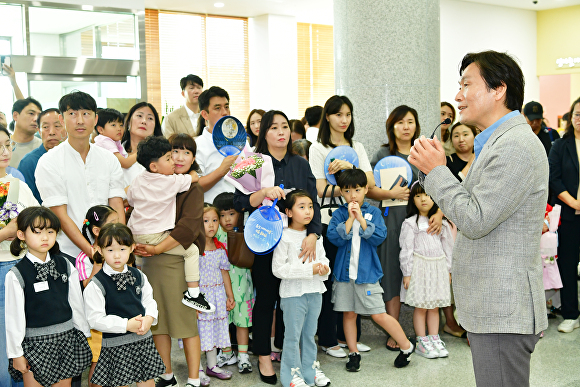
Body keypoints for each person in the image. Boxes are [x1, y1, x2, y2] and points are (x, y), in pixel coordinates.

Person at [409, 50, 548, 387]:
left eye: (466, 85)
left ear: (498, 89)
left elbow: (475, 218)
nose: (458, 96)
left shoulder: (515, 145)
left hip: (503, 309)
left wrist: (437, 172)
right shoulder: (498, 143)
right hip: (493, 307)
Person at [233, 110, 321, 385]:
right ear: (263, 132)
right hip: (265, 242)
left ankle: (285, 350)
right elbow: (239, 202)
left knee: (291, 300)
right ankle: (262, 355)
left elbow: (313, 203)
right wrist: (262, 194)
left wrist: (314, 234)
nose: (281, 132)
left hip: (297, 241)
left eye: (285, 126)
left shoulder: (301, 163)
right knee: (266, 299)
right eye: (274, 127)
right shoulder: (253, 162)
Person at [367, 105, 443, 351]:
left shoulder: (424, 154)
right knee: (392, 272)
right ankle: (395, 330)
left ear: (417, 126)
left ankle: (428, 333)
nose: (406, 127)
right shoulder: (381, 154)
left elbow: (442, 186)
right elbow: (368, 189)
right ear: (392, 127)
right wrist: (390, 193)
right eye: (400, 122)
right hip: (391, 219)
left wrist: (440, 213)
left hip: (421, 222)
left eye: (410, 121)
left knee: (419, 270)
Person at [133, 133, 205, 387]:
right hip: (153, 262)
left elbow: (187, 229)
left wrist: (155, 248)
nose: (178, 158)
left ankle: (194, 378)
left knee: (185, 324)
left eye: (186, 152)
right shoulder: (162, 181)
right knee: (158, 322)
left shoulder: (189, 186)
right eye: (173, 152)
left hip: (176, 263)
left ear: (194, 157)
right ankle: (166, 374)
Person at [326, 169, 413, 371]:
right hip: (344, 276)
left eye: (357, 189)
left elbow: (379, 236)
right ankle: (353, 353)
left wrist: (361, 220)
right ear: (341, 192)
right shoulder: (339, 213)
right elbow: (334, 237)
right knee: (348, 314)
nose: (353, 195)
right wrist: (349, 219)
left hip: (367, 275)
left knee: (378, 314)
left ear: (366, 189)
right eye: (347, 191)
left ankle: (406, 346)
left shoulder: (373, 212)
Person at [308, 95, 374, 357]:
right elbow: (321, 188)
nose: (344, 120)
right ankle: (327, 339)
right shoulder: (318, 148)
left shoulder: (356, 146)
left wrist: (350, 167)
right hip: (330, 223)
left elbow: (369, 181)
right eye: (338, 114)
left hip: (357, 220)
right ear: (328, 117)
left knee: (351, 278)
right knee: (329, 282)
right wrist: (350, 188)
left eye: (348, 114)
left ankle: (350, 338)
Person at [5, 206, 92, 387]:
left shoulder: (66, 265)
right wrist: (16, 353)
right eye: (37, 232)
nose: (45, 237)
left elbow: (76, 304)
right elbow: (14, 318)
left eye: (50, 231)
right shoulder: (17, 274)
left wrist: (83, 334)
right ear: (21, 235)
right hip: (35, 344)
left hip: (66, 339)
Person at [35, 91, 126, 260]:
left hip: (110, 252)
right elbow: (60, 215)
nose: (80, 121)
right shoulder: (49, 161)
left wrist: (118, 246)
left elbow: (116, 204)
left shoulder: (108, 159)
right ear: (62, 120)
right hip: (66, 253)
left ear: (96, 119)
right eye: (72, 114)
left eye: (86, 114)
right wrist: (93, 252)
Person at [127, 135, 213, 313]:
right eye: (169, 157)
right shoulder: (171, 181)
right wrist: (194, 173)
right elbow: (194, 178)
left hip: (135, 233)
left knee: (143, 265)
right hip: (156, 236)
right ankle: (194, 293)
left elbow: (131, 200)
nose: (174, 160)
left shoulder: (137, 179)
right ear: (154, 166)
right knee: (192, 251)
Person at [83, 223, 165, 387]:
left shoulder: (138, 275)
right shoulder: (96, 284)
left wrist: (149, 317)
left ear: (132, 248)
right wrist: (126, 324)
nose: (117, 255)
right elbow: (95, 319)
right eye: (110, 250)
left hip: (142, 340)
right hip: (116, 344)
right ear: (100, 250)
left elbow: (149, 300)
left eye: (122, 249)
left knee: (147, 382)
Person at [272, 190, 331, 387]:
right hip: (293, 294)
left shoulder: (315, 236)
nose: (308, 211)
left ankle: (310, 370)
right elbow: (279, 269)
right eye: (302, 207)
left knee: (309, 334)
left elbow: (323, 260)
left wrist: (324, 269)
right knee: (293, 336)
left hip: (315, 291)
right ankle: (291, 375)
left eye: (311, 207)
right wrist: (310, 270)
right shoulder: (284, 237)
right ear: (288, 212)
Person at [0, 126, 40, 387]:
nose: (4, 152)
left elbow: (41, 221)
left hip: (21, 267)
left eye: (7, 145)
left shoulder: (17, 185)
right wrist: (7, 233)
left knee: (23, 342)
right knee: (5, 345)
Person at [400, 182, 453, 359]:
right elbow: (406, 250)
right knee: (421, 307)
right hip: (420, 268)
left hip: (437, 268)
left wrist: (448, 270)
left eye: (428, 195)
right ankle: (421, 341)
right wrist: (407, 273)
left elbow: (448, 248)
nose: (423, 199)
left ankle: (434, 338)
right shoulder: (410, 224)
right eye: (418, 195)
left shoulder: (441, 223)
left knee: (434, 306)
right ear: (412, 200)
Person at [548, 96, 580, 334]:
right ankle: (570, 314)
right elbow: (554, 179)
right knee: (568, 265)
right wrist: (574, 202)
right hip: (569, 215)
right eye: (577, 114)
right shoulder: (560, 145)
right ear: (571, 117)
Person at [213, 192, 254, 374]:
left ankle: (243, 356)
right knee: (222, 321)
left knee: (242, 322)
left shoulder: (246, 231)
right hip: (221, 287)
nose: (227, 219)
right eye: (222, 215)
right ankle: (227, 352)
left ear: (240, 213)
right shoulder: (216, 234)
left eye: (231, 213)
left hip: (243, 286)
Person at [198, 204, 235, 381]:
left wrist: (230, 296)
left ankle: (212, 365)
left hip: (218, 295)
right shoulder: (194, 250)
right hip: (201, 297)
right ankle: (196, 368)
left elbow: (224, 272)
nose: (211, 225)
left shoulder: (220, 248)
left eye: (214, 220)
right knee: (199, 331)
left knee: (213, 330)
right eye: (206, 221)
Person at [195, 86, 238, 203]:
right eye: (217, 108)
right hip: (211, 215)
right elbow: (195, 187)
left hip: (240, 213)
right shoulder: (196, 146)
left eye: (227, 107)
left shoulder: (240, 141)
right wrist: (221, 171)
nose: (225, 112)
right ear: (205, 114)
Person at [18, 108, 66, 203]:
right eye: (45, 127)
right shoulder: (29, 162)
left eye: (57, 126)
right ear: (39, 131)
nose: (52, 132)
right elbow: (24, 202)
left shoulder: (75, 157)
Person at [121, 102, 164, 187]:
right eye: (139, 116)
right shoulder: (115, 152)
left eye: (150, 118)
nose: (144, 121)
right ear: (129, 122)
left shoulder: (163, 155)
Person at [9, 98, 42, 168]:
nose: (36, 119)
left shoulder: (43, 147)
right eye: (31, 113)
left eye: (39, 115)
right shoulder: (3, 146)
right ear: (15, 115)